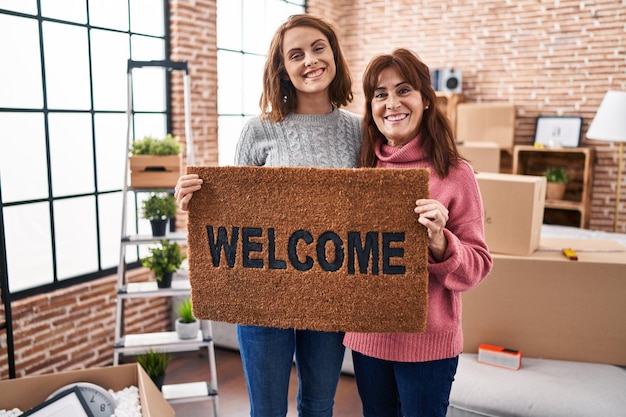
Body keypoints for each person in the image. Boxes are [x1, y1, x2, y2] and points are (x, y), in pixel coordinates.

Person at [174, 14, 361, 417]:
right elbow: (234, 212)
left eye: (317, 48)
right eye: (296, 55)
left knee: (318, 405)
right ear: (283, 69)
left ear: (334, 54)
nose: (309, 61)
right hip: (261, 296)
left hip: (330, 294)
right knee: (267, 410)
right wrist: (197, 200)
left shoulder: (360, 132)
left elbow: (374, 210)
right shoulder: (257, 132)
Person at [343, 48, 493, 417]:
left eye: (403, 90)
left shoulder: (455, 174)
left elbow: (478, 267)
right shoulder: (360, 170)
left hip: (428, 346)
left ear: (426, 99)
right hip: (368, 340)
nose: (391, 103)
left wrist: (441, 241)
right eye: (380, 94)